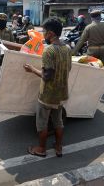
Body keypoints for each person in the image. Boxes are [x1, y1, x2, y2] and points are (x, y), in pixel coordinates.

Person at [23, 18, 72, 158]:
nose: (43, 34)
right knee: (58, 121)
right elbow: (68, 68)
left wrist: (32, 69)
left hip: (47, 96)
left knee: (42, 123)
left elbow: (47, 76)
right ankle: (58, 147)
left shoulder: (48, 51)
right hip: (62, 93)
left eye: (44, 31)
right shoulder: (67, 48)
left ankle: (41, 149)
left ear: (50, 33)